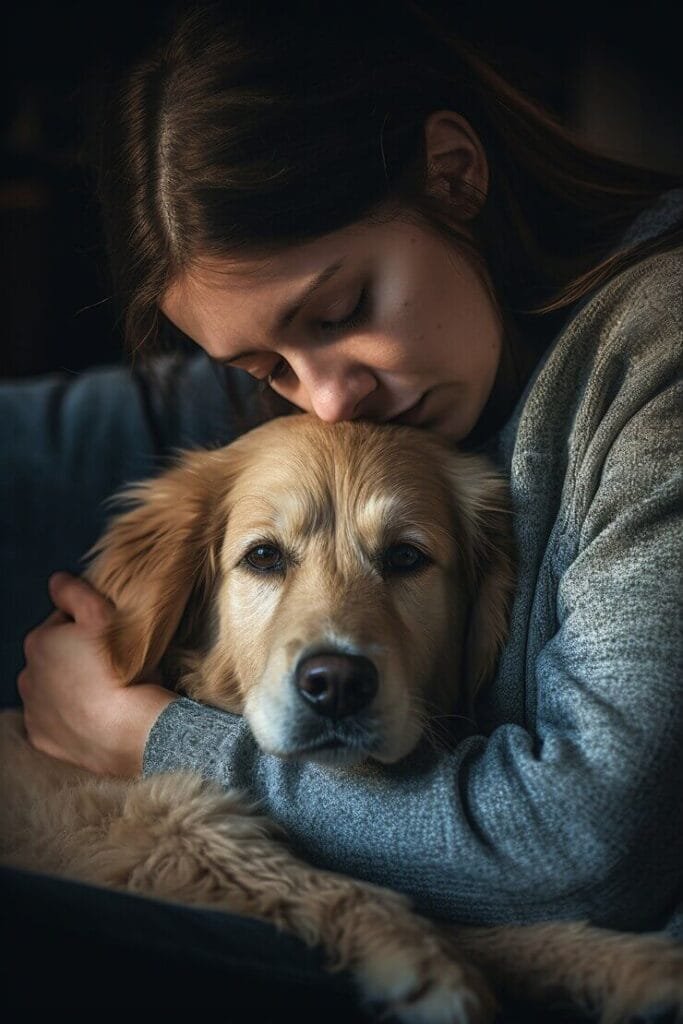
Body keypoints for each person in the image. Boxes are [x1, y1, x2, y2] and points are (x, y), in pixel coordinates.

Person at [4, 0, 682, 1013]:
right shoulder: (380, 397)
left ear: (453, 175)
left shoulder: (652, 354)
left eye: (336, 313)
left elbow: (583, 847)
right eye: (263, 367)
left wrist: (153, 737)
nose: (326, 400)